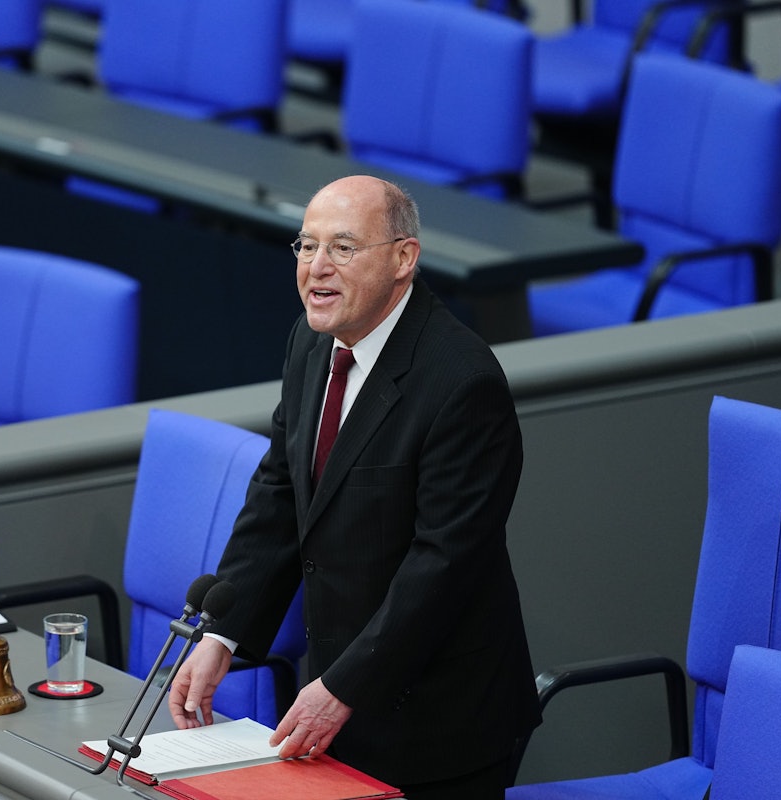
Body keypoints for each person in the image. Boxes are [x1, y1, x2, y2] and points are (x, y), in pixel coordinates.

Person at [168, 175, 541, 800]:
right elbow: (281, 493)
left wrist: (344, 686)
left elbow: (445, 563)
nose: (317, 267)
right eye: (307, 245)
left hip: (435, 725)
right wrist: (221, 634)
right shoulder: (311, 342)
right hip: (333, 700)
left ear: (403, 258)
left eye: (343, 247)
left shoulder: (462, 381)